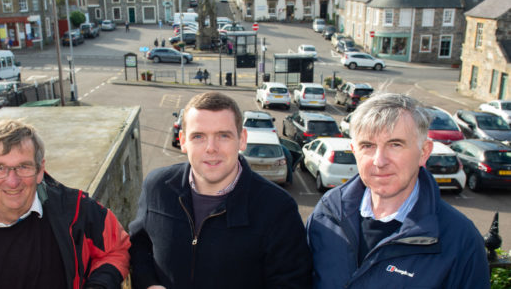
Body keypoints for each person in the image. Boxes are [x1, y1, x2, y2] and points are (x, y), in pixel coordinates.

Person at [0, 119, 131, 288]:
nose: (13, 181)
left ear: (40, 170)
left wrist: (99, 285)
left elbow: (117, 248)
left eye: (24, 167)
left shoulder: (76, 209)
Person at [129, 92, 312, 288]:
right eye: (198, 136)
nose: (211, 148)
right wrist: (149, 284)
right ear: (182, 140)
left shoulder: (278, 209)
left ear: (242, 139)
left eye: (223, 135)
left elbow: (292, 283)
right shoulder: (157, 188)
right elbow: (139, 246)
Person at [306, 93, 489, 288]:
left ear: (424, 152)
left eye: (395, 144)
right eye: (367, 145)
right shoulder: (326, 214)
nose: (380, 161)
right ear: (354, 151)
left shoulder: (459, 239)